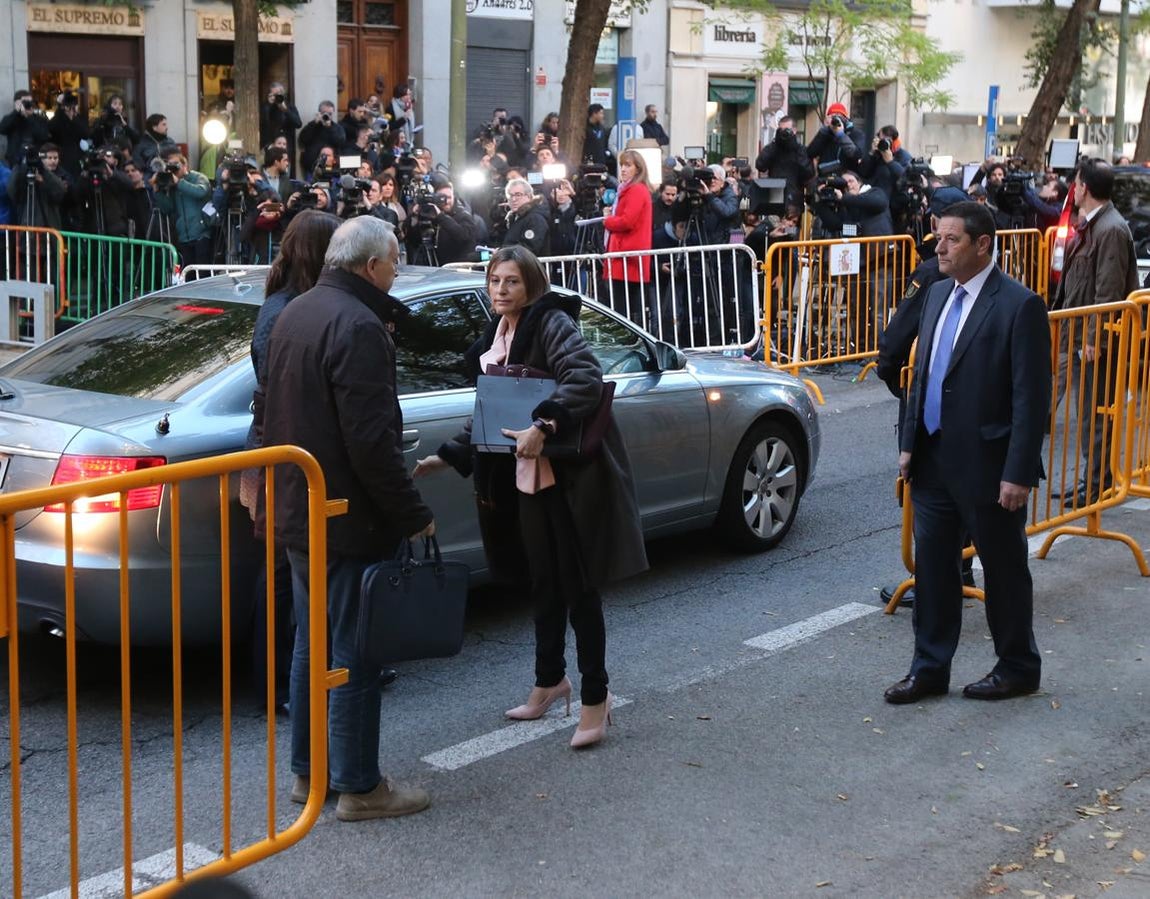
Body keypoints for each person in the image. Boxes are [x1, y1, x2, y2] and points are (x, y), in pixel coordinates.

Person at [415, 245, 647, 748]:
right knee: (543, 583)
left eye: (512, 281)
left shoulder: (550, 323)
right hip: (527, 478)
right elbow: (493, 409)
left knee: (579, 587)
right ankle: (549, 681)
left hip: (567, 476)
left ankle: (596, 697)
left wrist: (544, 425)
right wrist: (449, 455)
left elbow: (585, 379)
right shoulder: (498, 332)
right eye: (495, 280)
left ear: (532, 285)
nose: (500, 290)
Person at [258, 215, 434, 820]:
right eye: (394, 263)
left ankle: (310, 774)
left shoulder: (297, 311)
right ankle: (359, 786)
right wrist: (412, 513)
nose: (397, 273)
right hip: (346, 517)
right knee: (355, 649)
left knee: (313, 645)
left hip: (302, 508)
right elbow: (370, 442)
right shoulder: (358, 324)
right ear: (371, 265)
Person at [886, 201, 1050, 705]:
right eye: (938, 237)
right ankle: (929, 668)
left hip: (989, 465)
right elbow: (922, 375)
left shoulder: (1019, 305)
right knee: (933, 571)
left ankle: (1017, 667)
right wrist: (909, 442)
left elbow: (1031, 397)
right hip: (933, 458)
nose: (939, 247)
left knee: (1003, 569)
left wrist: (1018, 472)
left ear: (982, 245)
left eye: (951, 239)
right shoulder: (936, 293)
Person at [242, 210, 342, 716]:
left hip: (279, 452)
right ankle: (275, 681)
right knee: (282, 572)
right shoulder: (286, 308)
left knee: (289, 570)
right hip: (282, 455)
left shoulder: (284, 302)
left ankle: (301, 672)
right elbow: (274, 385)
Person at [1050, 158, 1139, 507]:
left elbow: (1108, 291)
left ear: (1083, 187)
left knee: (1096, 414)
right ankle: (1092, 480)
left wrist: (1094, 339)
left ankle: (1097, 484)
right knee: (1088, 415)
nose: (1073, 188)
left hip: (1097, 341)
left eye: (1076, 182)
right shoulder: (1095, 224)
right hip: (1081, 334)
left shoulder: (1110, 229)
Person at [602, 149, 653, 321]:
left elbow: (627, 221)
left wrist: (607, 221)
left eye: (628, 165)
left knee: (624, 311)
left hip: (628, 258)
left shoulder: (636, 190)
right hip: (625, 258)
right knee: (623, 308)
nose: (623, 169)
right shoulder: (629, 190)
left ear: (638, 169)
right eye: (622, 165)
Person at [152, 150, 212, 267]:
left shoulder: (198, 177)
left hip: (201, 234)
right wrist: (157, 191)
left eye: (176, 165)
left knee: (202, 271)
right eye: (170, 165)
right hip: (184, 237)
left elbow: (201, 192)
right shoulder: (173, 184)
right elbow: (168, 208)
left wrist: (179, 183)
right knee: (187, 272)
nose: (173, 168)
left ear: (185, 166)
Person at [754, 116, 812, 210]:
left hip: (794, 197)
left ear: (794, 130)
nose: (784, 133)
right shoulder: (773, 148)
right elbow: (760, 165)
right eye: (781, 130)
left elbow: (808, 173)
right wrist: (776, 143)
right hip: (775, 194)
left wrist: (795, 146)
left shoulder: (800, 150)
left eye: (787, 130)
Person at [7, 142, 68, 229]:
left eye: (55, 158)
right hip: (25, 228)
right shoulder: (22, 174)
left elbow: (60, 191)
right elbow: (12, 191)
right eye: (49, 158)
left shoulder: (59, 175)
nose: (53, 161)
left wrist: (43, 171)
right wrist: (17, 165)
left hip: (48, 230)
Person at [805, 102, 865, 173]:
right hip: (825, 175)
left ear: (845, 118)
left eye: (839, 117)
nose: (836, 120)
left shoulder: (855, 133)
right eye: (833, 117)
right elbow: (810, 153)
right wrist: (823, 131)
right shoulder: (825, 134)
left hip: (847, 176)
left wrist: (841, 135)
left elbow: (857, 155)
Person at [1, 90, 52, 167]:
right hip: (15, 161)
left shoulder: (39, 119)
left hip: (36, 159)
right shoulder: (11, 118)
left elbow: (44, 136)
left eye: (30, 102)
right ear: (16, 103)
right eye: (25, 102)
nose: (29, 104)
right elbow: (2, 129)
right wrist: (16, 112)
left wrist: (30, 116)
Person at [260, 82, 302, 173]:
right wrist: (268, 105)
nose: (276, 97)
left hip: (285, 148)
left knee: (285, 174)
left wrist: (286, 110)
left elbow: (298, 124)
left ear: (283, 94)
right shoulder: (267, 106)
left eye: (278, 94)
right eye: (274, 95)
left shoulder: (289, 106)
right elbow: (263, 123)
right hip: (271, 147)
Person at [47, 90, 90, 178]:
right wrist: (60, 108)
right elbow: (52, 128)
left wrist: (74, 117)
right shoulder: (58, 119)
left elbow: (86, 134)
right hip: (61, 157)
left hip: (76, 157)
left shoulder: (78, 119)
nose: (75, 108)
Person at [501, 178, 549, 255]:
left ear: (529, 196)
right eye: (510, 195)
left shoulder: (535, 218)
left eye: (518, 195)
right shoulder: (514, 218)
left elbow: (529, 249)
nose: (513, 199)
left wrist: (503, 252)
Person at [299, 102, 345, 175]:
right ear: (319, 113)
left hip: (331, 168)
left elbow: (340, 142)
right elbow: (303, 139)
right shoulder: (312, 125)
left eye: (330, 114)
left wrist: (329, 128)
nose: (327, 116)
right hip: (312, 168)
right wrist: (314, 123)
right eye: (324, 113)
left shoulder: (337, 128)